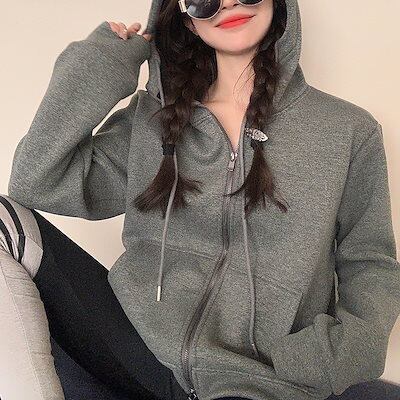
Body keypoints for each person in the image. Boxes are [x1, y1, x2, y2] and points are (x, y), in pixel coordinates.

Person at [3, 0, 400, 399]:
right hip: (139, 348)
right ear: (187, 20)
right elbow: (35, 181)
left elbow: (370, 263)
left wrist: (324, 361)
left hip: (251, 377)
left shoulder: (346, 130)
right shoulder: (154, 120)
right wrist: (104, 61)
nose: (228, 3)